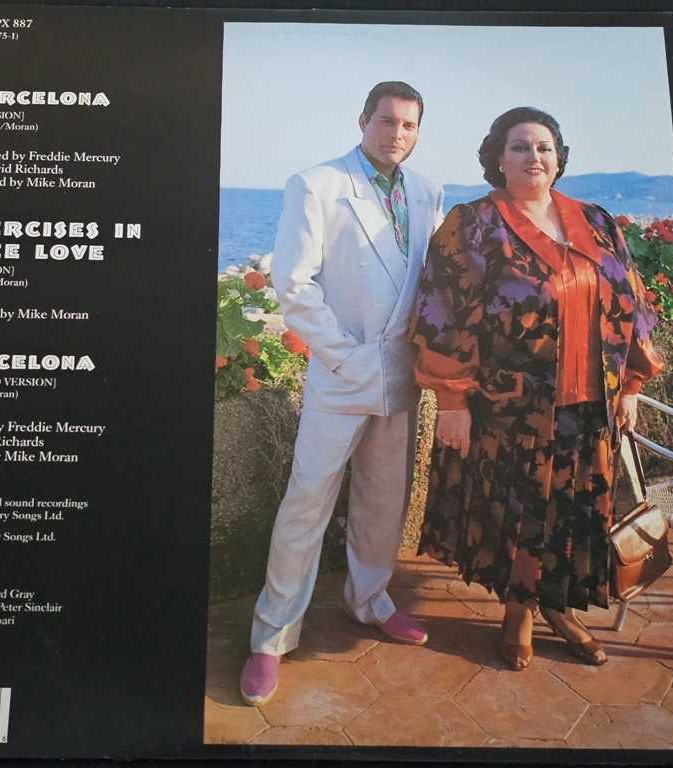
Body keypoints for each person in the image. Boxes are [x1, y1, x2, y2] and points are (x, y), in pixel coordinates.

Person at [408, 107, 663, 670]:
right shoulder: (474, 225)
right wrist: (451, 400)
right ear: (498, 158)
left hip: (591, 403)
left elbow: (632, 299)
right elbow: (443, 311)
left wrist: (631, 385)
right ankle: (518, 613)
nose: (534, 158)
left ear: (559, 157)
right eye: (520, 147)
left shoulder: (595, 220)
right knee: (523, 513)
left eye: (544, 147)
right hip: (512, 408)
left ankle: (559, 607)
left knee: (576, 512)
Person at [239, 82, 445, 705]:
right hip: (340, 373)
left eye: (408, 125)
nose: (397, 134)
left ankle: (370, 600)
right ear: (363, 121)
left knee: (384, 500)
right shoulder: (316, 184)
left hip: (402, 374)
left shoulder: (427, 190)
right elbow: (293, 284)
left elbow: (433, 280)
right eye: (387, 121)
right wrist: (343, 354)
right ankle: (271, 634)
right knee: (307, 502)